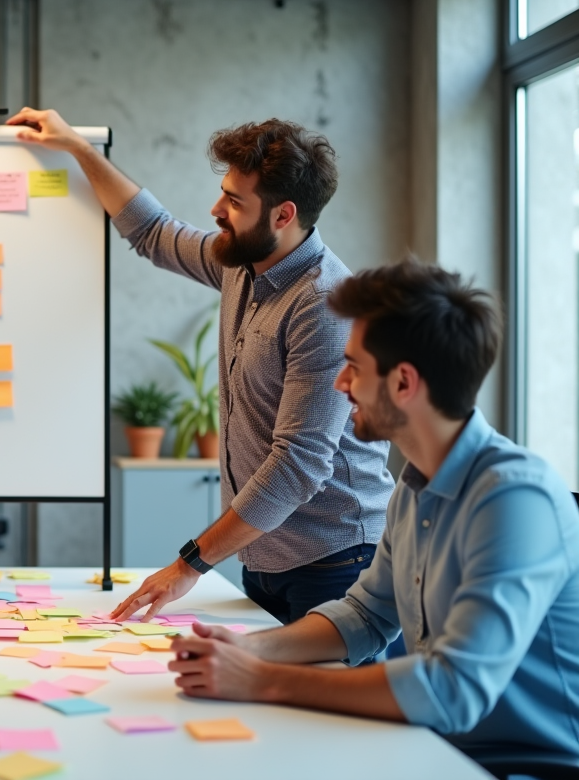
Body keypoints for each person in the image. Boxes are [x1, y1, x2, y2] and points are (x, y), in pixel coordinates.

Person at [166, 260, 579, 757]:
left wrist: (262, 680)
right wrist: (248, 647)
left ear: (404, 383)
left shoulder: (515, 500)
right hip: (437, 749)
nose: (341, 384)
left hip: (520, 764)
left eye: (354, 367)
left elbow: (453, 690)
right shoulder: (413, 488)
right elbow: (366, 614)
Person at [7, 109, 394, 623]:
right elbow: (152, 232)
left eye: (235, 201)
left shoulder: (323, 305)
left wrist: (190, 564)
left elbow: (297, 466)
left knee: (318, 705)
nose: (216, 209)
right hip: (264, 557)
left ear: (283, 215)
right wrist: (80, 149)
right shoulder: (244, 263)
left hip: (336, 562)